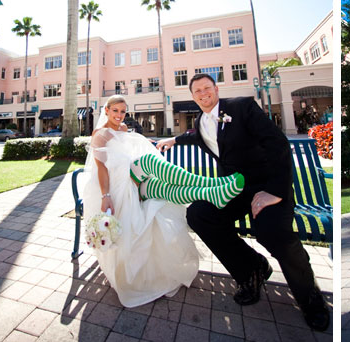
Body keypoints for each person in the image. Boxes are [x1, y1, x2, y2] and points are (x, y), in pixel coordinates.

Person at [156, 74, 331, 331]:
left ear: (216, 89)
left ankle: (310, 297)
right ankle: (252, 270)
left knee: (271, 232)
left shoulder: (241, 107)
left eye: (207, 88)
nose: (203, 93)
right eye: (197, 91)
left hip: (267, 186)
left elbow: (278, 143)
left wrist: (275, 191)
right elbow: (201, 135)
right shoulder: (201, 120)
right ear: (192, 96)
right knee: (199, 214)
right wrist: (175, 139)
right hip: (234, 190)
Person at [82, 95, 244, 307]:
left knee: (164, 189)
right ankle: (209, 185)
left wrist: (146, 141)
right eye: (115, 111)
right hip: (119, 185)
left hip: (136, 183)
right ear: (106, 111)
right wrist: (106, 196)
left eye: (123, 112)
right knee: (150, 162)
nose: (119, 115)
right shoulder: (100, 134)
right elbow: (101, 168)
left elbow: (131, 144)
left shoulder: (122, 129)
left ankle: (212, 193)